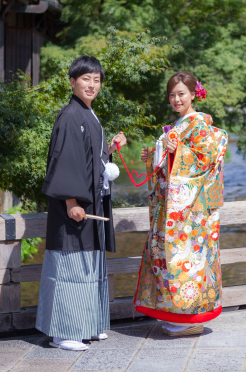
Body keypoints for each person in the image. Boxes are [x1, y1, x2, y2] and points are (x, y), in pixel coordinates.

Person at [35, 55, 127, 351]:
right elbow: (64, 162)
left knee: (88, 266)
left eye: (97, 80)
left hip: (92, 206)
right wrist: (71, 200)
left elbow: (91, 159)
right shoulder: (70, 116)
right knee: (71, 268)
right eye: (86, 79)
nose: (92, 84)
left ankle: (88, 324)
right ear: (72, 81)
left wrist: (110, 148)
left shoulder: (88, 114)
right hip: (73, 208)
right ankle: (64, 332)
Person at [134, 71, 228, 336]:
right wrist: (155, 154)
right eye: (172, 95)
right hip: (176, 208)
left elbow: (205, 160)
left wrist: (178, 152)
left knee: (187, 259)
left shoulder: (199, 124)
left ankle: (190, 318)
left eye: (181, 94)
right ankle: (177, 315)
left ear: (193, 94)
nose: (176, 99)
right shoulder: (180, 124)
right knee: (168, 256)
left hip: (191, 211)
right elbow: (172, 162)